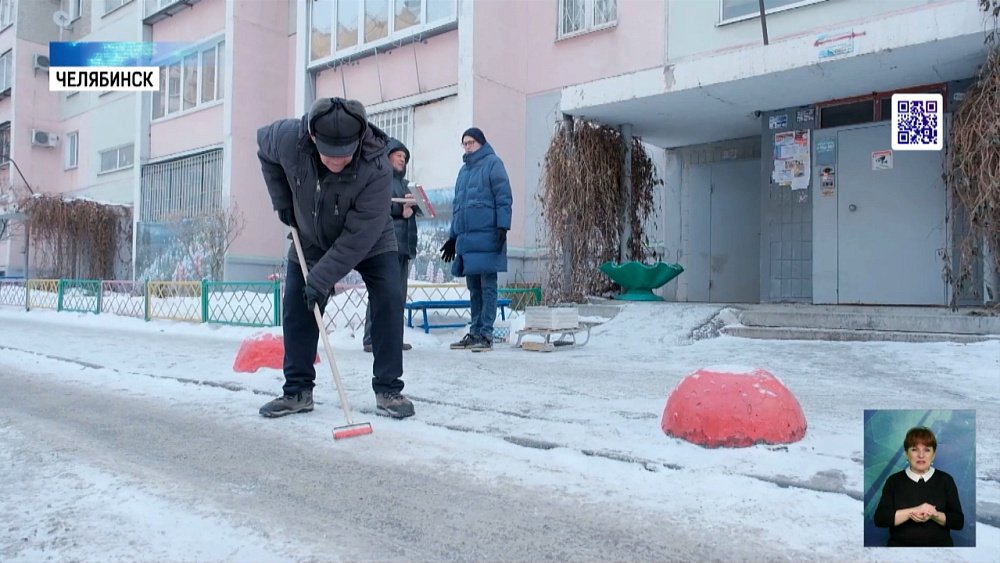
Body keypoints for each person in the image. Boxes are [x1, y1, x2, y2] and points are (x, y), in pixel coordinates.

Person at [256, 97, 414, 419]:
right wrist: (282, 201)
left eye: (345, 155)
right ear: (313, 138)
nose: (338, 162)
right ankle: (297, 391)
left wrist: (322, 279)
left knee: (388, 299)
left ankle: (389, 389)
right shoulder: (288, 138)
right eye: (330, 155)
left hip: (370, 239)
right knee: (298, 306)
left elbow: (356, 238)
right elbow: (263, 149)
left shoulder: (377, 165)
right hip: (311, 234)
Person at [440, 127, 513, 352]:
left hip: (489, 235)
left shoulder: (493, 164)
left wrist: (503, 225)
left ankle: (486, 334)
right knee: (474, 288)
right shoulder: (463, 172)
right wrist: (453, 237)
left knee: (488, 285)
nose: (468, 146)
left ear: (481, 142)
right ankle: (475, 332)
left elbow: (504, 196)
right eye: (465, 143)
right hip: (468, 240)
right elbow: (458, 208)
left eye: (471, 142)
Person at [363, 138, 418, 353]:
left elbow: (413, 212)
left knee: (398, 295)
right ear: (388, 156)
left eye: (405, 157)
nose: (402, 160)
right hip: (384, 246)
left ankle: (393, 338)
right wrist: (400, 211)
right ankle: (370, 338)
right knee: (381, 293)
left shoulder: (406, 185)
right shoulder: (380, 179)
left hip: (403, 247)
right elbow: (374, 209)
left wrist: (416, 206)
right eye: (399, 155)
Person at [873, 426, 965, 546]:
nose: (921, 455)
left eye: (927, 450)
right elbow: (880, 519)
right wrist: (915, 510)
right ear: (906, 453)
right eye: (914, 449)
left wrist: (934, 515)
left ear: (934, 454)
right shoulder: (894, 481)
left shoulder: (946, 480)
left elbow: (958, 522)